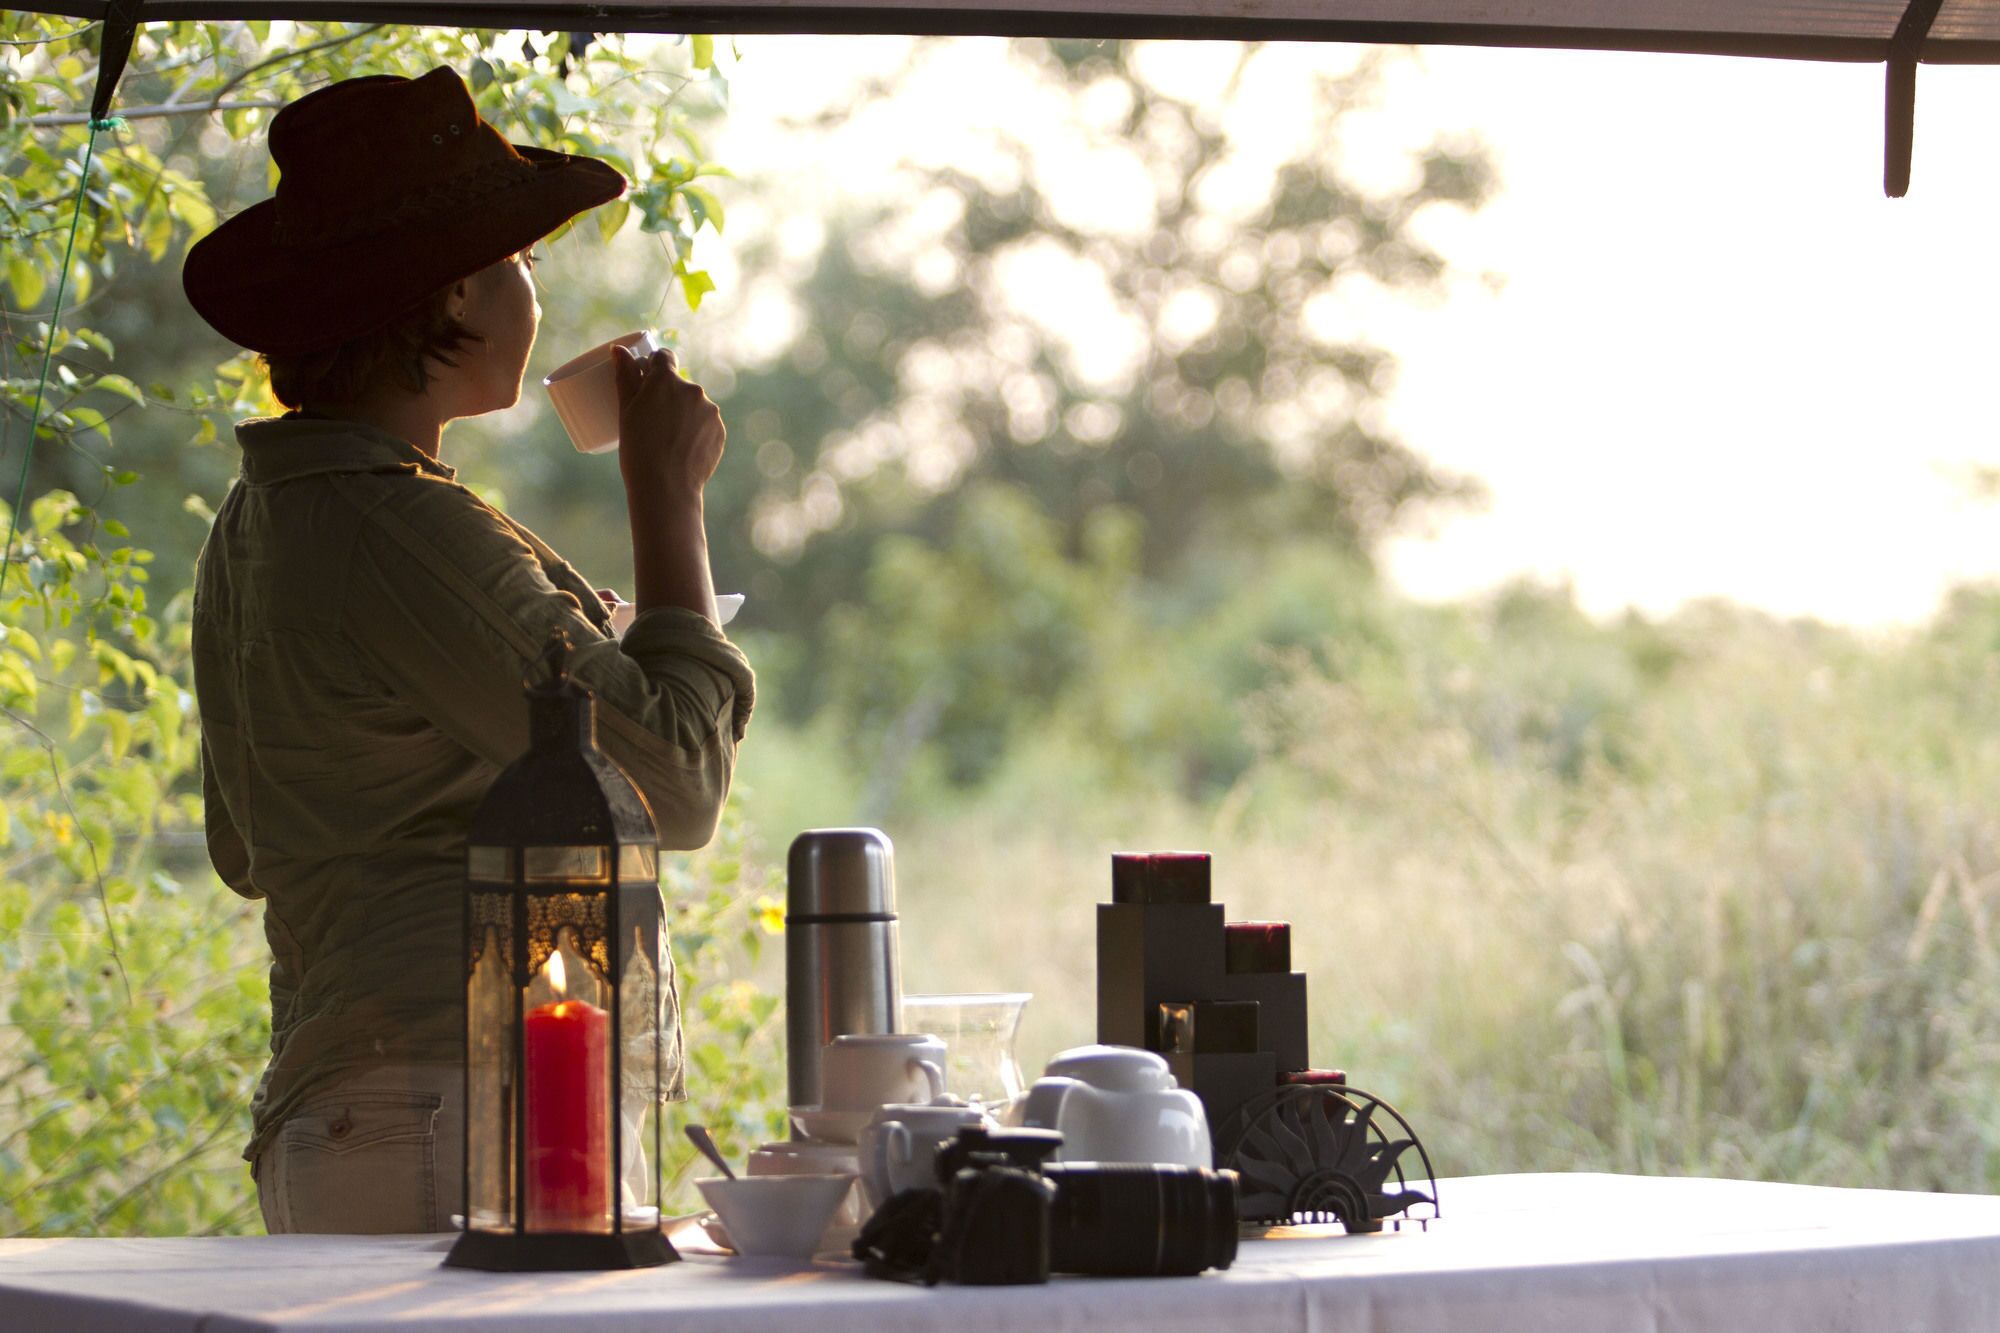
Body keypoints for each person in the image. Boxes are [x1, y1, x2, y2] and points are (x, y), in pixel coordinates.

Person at [180, 68, 753, 1234]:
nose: (533, 289)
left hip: (376, 1109)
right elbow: (677, 781)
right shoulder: (393, 524)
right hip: (457, 1108)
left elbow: (250, 844)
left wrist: (556, 676)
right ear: (455, 289)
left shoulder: (265, 519)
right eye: (521, 260)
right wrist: (666, 492)